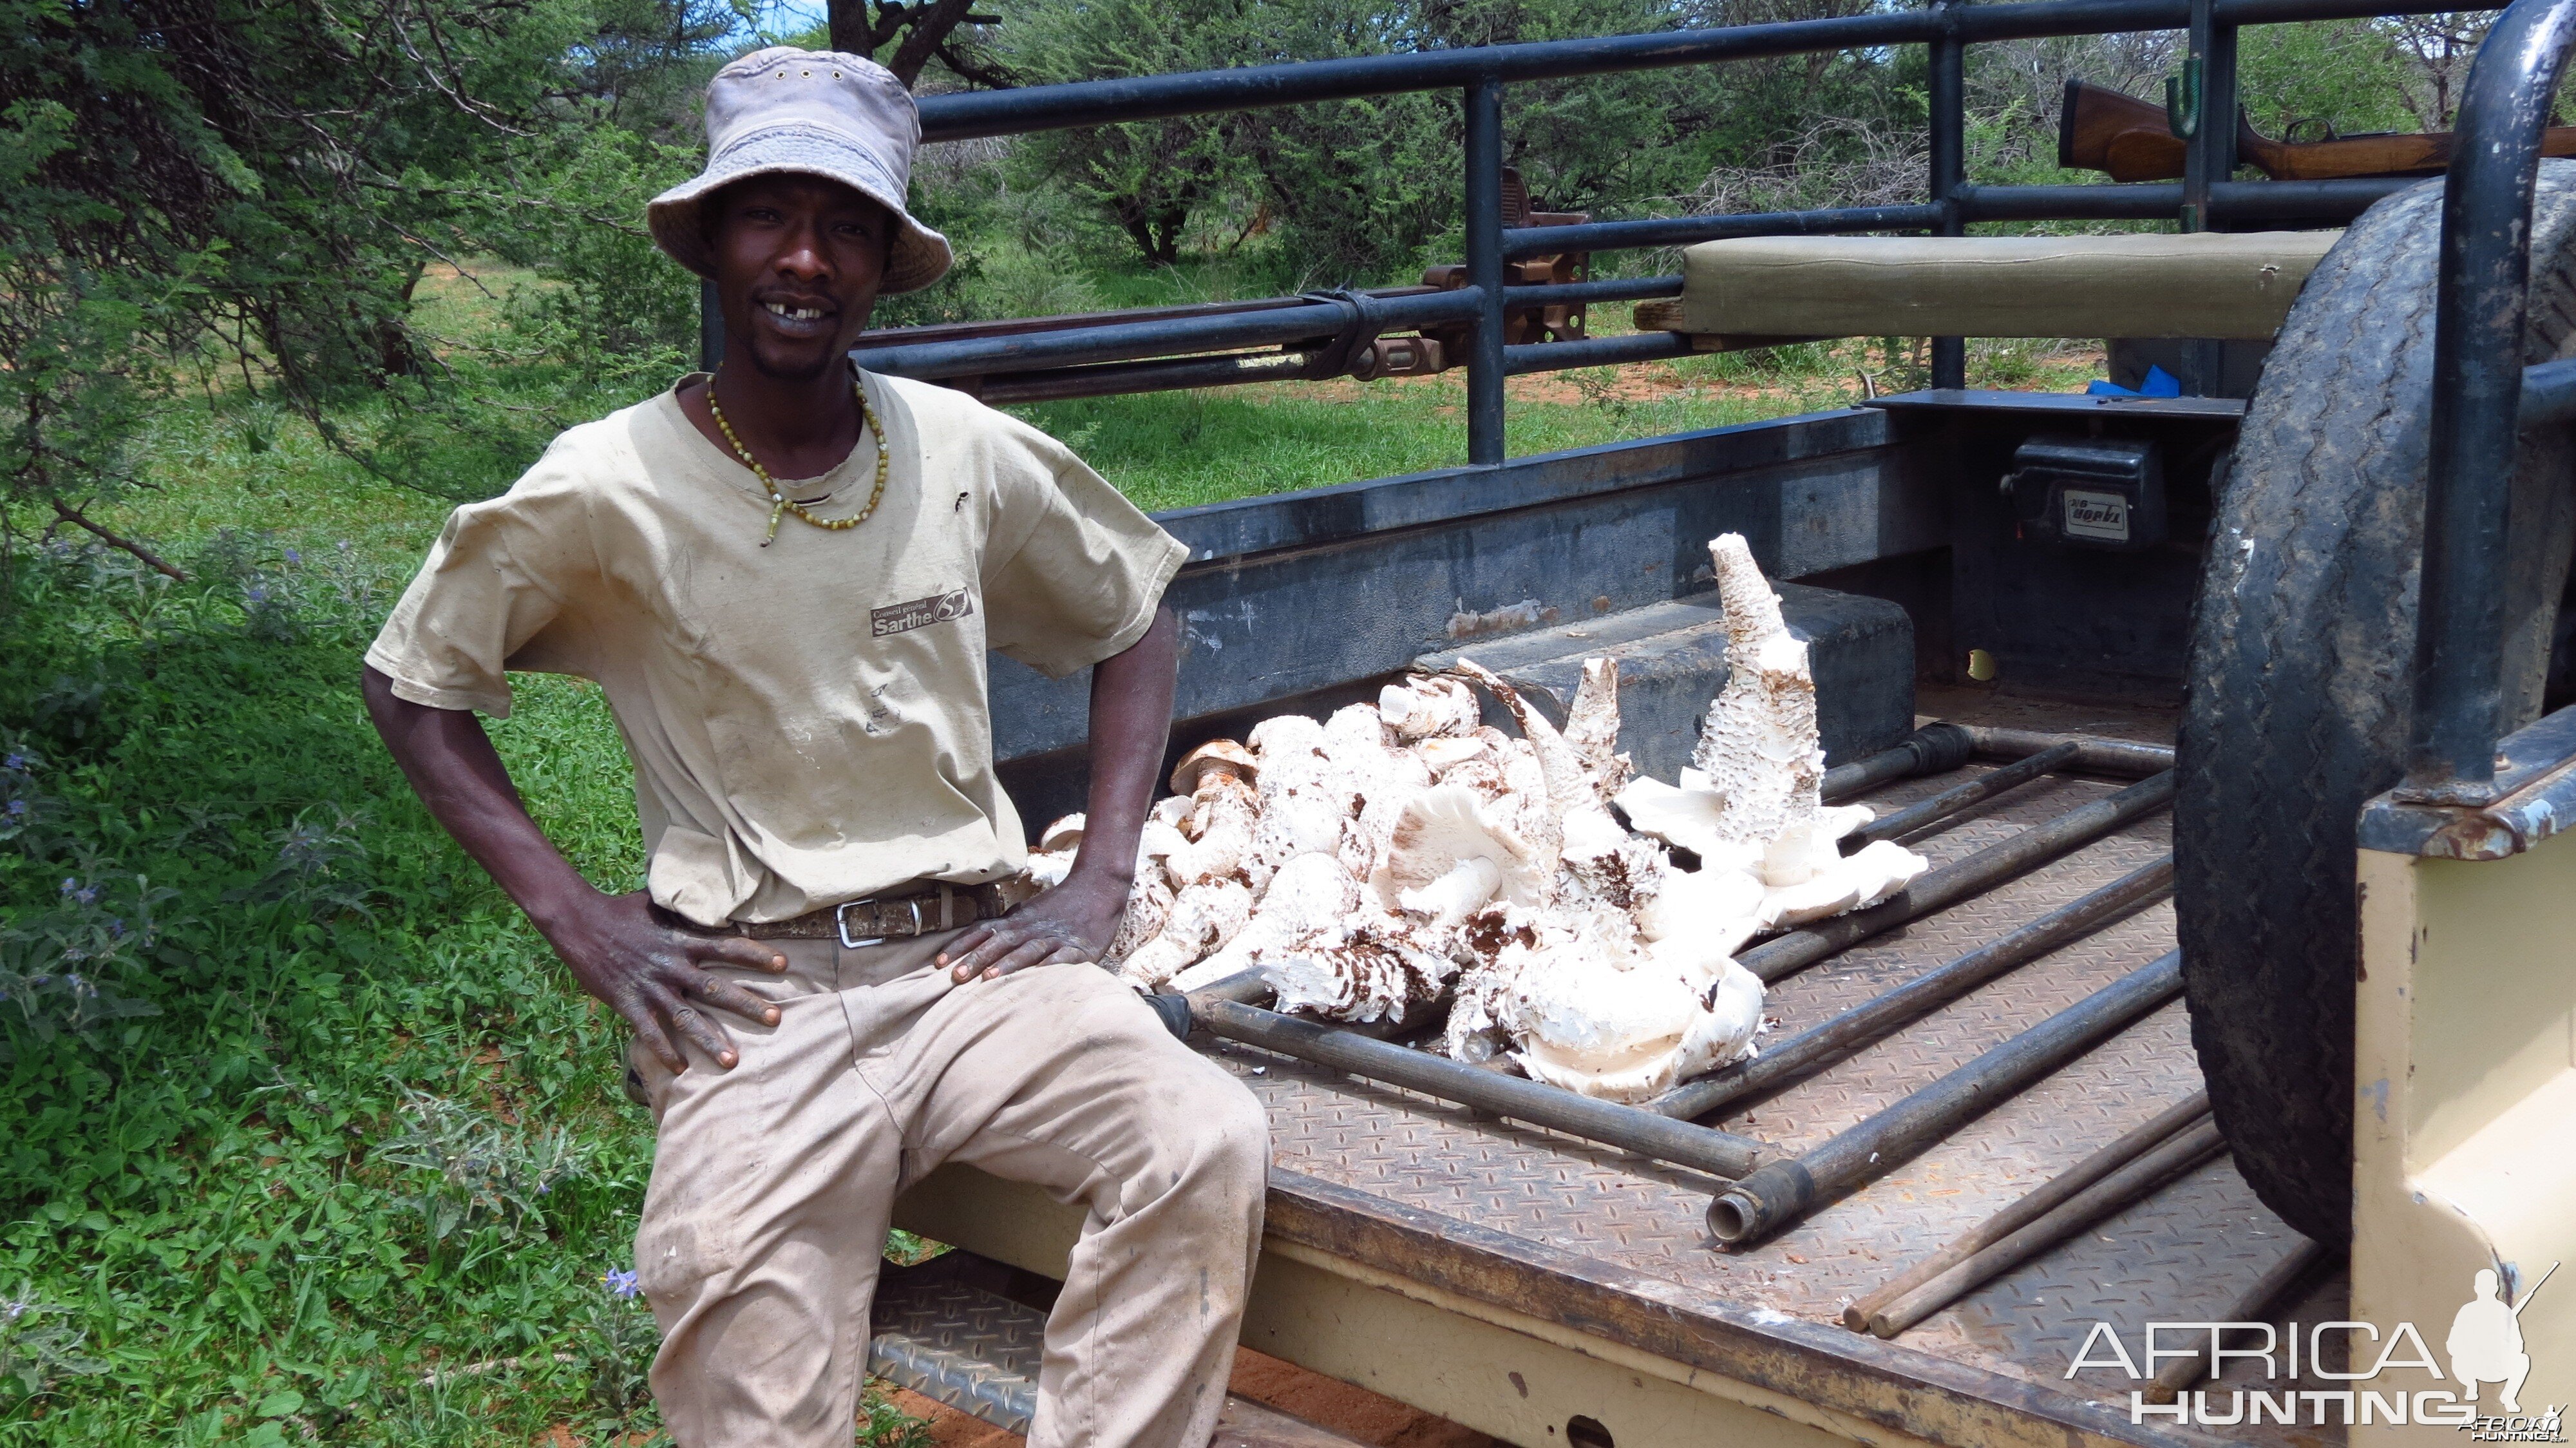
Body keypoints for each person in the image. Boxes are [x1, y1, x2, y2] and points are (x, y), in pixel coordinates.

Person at [361, 46, 1269, 1448]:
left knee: (1200, 1141)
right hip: (758, 999)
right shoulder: (608, 482)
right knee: (745, 1376)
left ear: (880, 264)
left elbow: (1133, 614)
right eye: (770, 218)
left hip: (976, 968)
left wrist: (1096, 882)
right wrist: (580, 923)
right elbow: (413, 681)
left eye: (846, 225)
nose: (805, 256)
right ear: (716, 243)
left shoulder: (955, 447)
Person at [2448, 1268, 2533, 1414]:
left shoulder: (2504, 1312)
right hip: (2473, 1366)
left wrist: (2503, 1346)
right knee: (2458, 1360)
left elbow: (2518, 1344)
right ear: (2476, 1288)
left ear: (2496, 1288)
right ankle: (2471, 1387)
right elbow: (2452, 1344)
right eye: (2482, 1286)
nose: (2485, 1290)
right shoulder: (2467, 1311)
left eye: (2489, 1286)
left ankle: (2509, 1397)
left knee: (2523, 1360)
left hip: (2498, 1367)